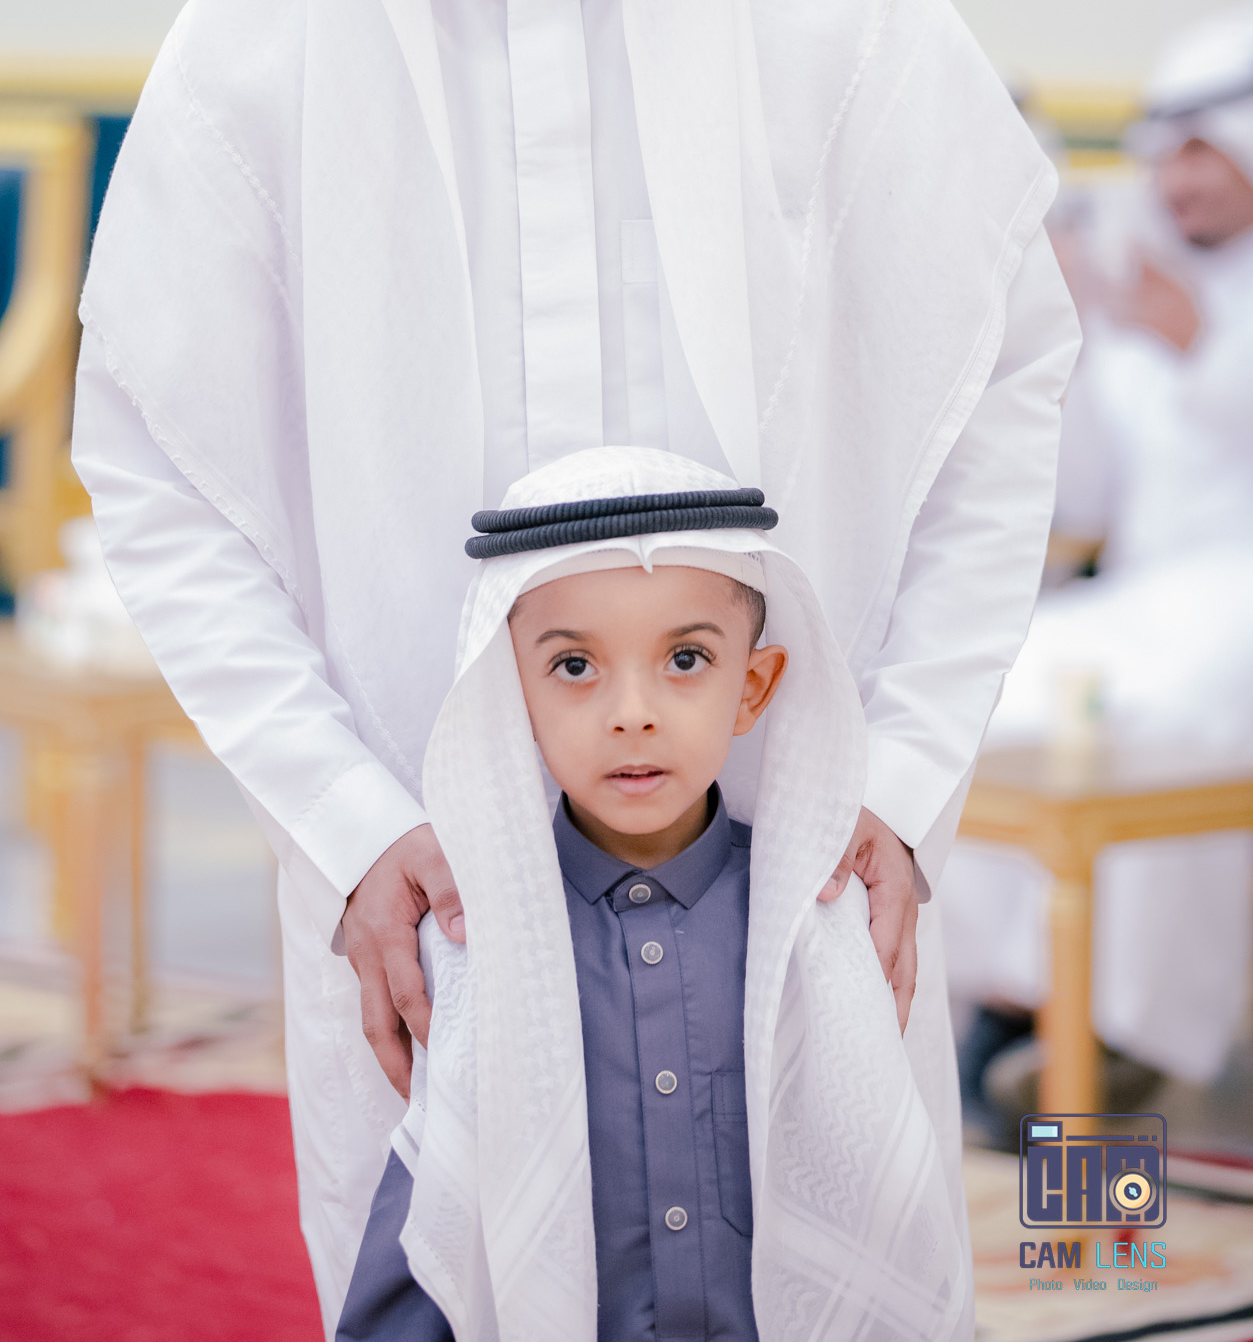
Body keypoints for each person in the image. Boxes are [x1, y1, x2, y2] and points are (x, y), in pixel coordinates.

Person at [72, 0, 1079, 1324]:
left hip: (794, 839)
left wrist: (898, 777)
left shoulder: (839, 1)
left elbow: (1002, 388)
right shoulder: (255, 56)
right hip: (427, 863)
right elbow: (158, 475)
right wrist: (349, 825)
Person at [337, 446, 971, 1342]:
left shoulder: (814, 928)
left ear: (752, 687)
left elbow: (875, 1225)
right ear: (512, 696)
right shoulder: (474, 944)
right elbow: (434, 1235)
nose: (631, 712)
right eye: (573, 666)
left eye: (684, 658)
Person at [941, 2, 1253, 1101]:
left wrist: (1198, 346)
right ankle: (1010, 996)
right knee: (994, 679)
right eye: (1168, 157)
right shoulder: (1141, 291)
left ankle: (1133, 1032)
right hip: (1149, 595)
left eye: (1205, 155)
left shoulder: (1186, 311)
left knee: (1170, 713)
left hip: (1234, 606)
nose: (1179, 182)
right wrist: (1059, 345)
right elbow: (1083, 495)